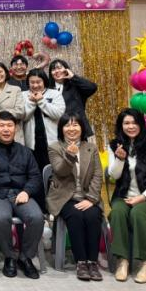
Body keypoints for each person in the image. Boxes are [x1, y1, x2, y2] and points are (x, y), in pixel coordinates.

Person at [0, 111, 44, 279]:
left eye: (9, 125)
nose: (6, 129)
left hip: (20, 194)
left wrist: (27, 191)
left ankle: (25, 257)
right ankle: (10, 257)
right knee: (1, 217)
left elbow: (35, 177)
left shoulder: (25, 151)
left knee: (36, 217)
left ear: (16, 128)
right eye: (2, 125)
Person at [108, 108, 146, 284]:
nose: (131, 126)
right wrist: (119, 159)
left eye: (134, 122)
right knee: (117, 212)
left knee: (138, 213)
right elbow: (114, 176)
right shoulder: (115, 145)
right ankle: (122, 261)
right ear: (121, 126)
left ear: (141, 124)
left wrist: (142, 198)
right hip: (124, 196)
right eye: (126, 123)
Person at [47, 113, 104, 281]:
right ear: (61, 129)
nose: (71, 129)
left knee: (93, 215)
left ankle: (92, 262)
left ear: (82, 128)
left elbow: (97, 175)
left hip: (87, 196)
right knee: (76, 216)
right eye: (67, 125)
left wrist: (91, 199)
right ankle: (81, 262)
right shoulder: (55, 147)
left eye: (75, 125)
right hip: (64, 197)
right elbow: (60, 171)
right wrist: (70, 156)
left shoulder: (91, 148)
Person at [22, 68, 65, 171]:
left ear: (44, 81)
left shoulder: (54, 94)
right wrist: (32, 102)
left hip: (52, 142)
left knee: (53, 171)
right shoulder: (23, 95)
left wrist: (41, 101)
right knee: (34, 171)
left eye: (38, 82)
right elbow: (22, 117)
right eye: (32, 82)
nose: (35, 85)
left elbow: (58, 113)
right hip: (31, 143)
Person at [48, 59, 98, 141]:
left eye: (59, 68)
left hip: (76, 130)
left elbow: (92, 88)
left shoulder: (75, 85)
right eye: (53, 69)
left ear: (66, 70)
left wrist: (73, 77)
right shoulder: (47, 89)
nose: (57, 71)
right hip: (55, 132)